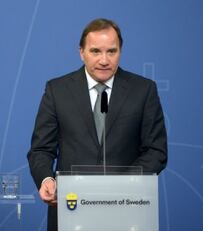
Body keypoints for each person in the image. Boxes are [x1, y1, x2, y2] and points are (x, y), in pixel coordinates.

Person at [27, 18, 167, 230]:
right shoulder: (57, 90)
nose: (104, 60)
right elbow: (41, 149)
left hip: (126, 208)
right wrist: (46, 178)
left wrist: (120, 186)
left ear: (120, 51)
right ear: (81, 52)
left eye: (112, 51)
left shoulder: (144, 90)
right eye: (95, 51)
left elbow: (156, 151)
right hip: (71, 209)